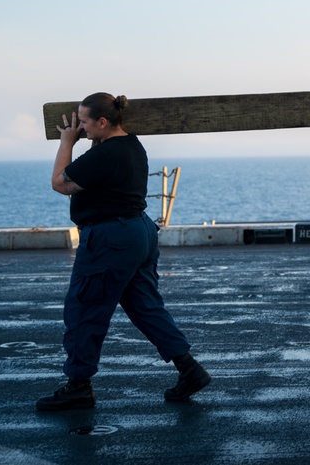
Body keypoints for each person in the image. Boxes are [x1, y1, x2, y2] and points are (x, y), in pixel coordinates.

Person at [36, 92, 211, 411]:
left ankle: (78, 386)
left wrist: (66, 142)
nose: (80, 128)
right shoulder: (132, 146)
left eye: (84, 122)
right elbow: (96, 171)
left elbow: (60, 184)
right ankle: (190, 370)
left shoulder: (103, 154)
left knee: (84, 307)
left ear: (102, 122)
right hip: (139, 232)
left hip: (109, 237)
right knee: (145, 304)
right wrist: (87, 140)